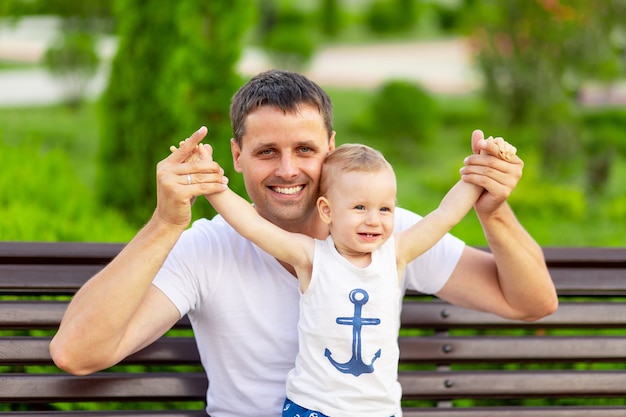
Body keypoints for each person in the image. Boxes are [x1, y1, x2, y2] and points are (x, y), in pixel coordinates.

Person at [50, 70, 558, 417]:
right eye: (267, 151)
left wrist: (493, 209)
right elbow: (77, 353)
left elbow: (531, 301)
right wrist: (165, 222)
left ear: (331, 150)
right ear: (237, 155)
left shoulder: (381, 233)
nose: (289, 169)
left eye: (306, 150)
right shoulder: (206, 248)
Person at [184, 137, 516, 416]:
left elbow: (445, 215)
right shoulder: (311, 258)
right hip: (315, 407)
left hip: (379, 409)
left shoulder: (396, 255)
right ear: (327, 210)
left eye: (385, 209)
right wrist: (210, 182)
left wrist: (480, 172)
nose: (374, 220)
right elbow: (252, 225)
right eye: (359, 208)